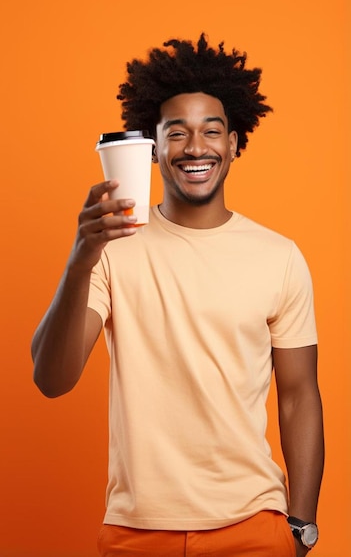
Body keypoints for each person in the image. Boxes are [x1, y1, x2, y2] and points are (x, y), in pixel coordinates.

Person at [31, 34, 324, 557]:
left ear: (233, 144)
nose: (195, 147)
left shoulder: (279, 256)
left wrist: (301, 526)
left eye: (212, 131)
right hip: (135, 530)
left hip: (253, 526)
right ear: (152, 146)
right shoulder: (111, 250)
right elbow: (51, 380)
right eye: (177, 133)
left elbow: (299, 395)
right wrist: (80, 259)